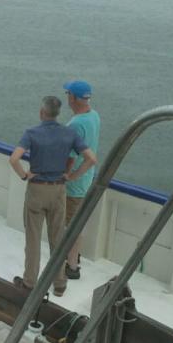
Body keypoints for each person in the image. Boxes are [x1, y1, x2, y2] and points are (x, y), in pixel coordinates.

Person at [9, 96, 97, 296]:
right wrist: (72, 176)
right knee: (57, 239)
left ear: (42, 113)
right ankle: (59, 284)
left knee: (33, 239)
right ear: (58, 114)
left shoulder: (32, 133)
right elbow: (91, 159)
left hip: (37, 190)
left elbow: (14, 159)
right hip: (59, 190)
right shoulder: (69, 134)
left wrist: (24, 175)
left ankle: (30, 282)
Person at [63, 80, 101, 280]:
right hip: (88, 179)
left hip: (75, 186)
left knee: (72, 225)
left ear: (74, 98)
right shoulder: (94, 116)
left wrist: (67, 177)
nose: (66, 97)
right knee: (76, 223)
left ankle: (72, 266)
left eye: (68, 93)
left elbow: (70, 157)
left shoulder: (76, 124)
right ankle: (74, 256)